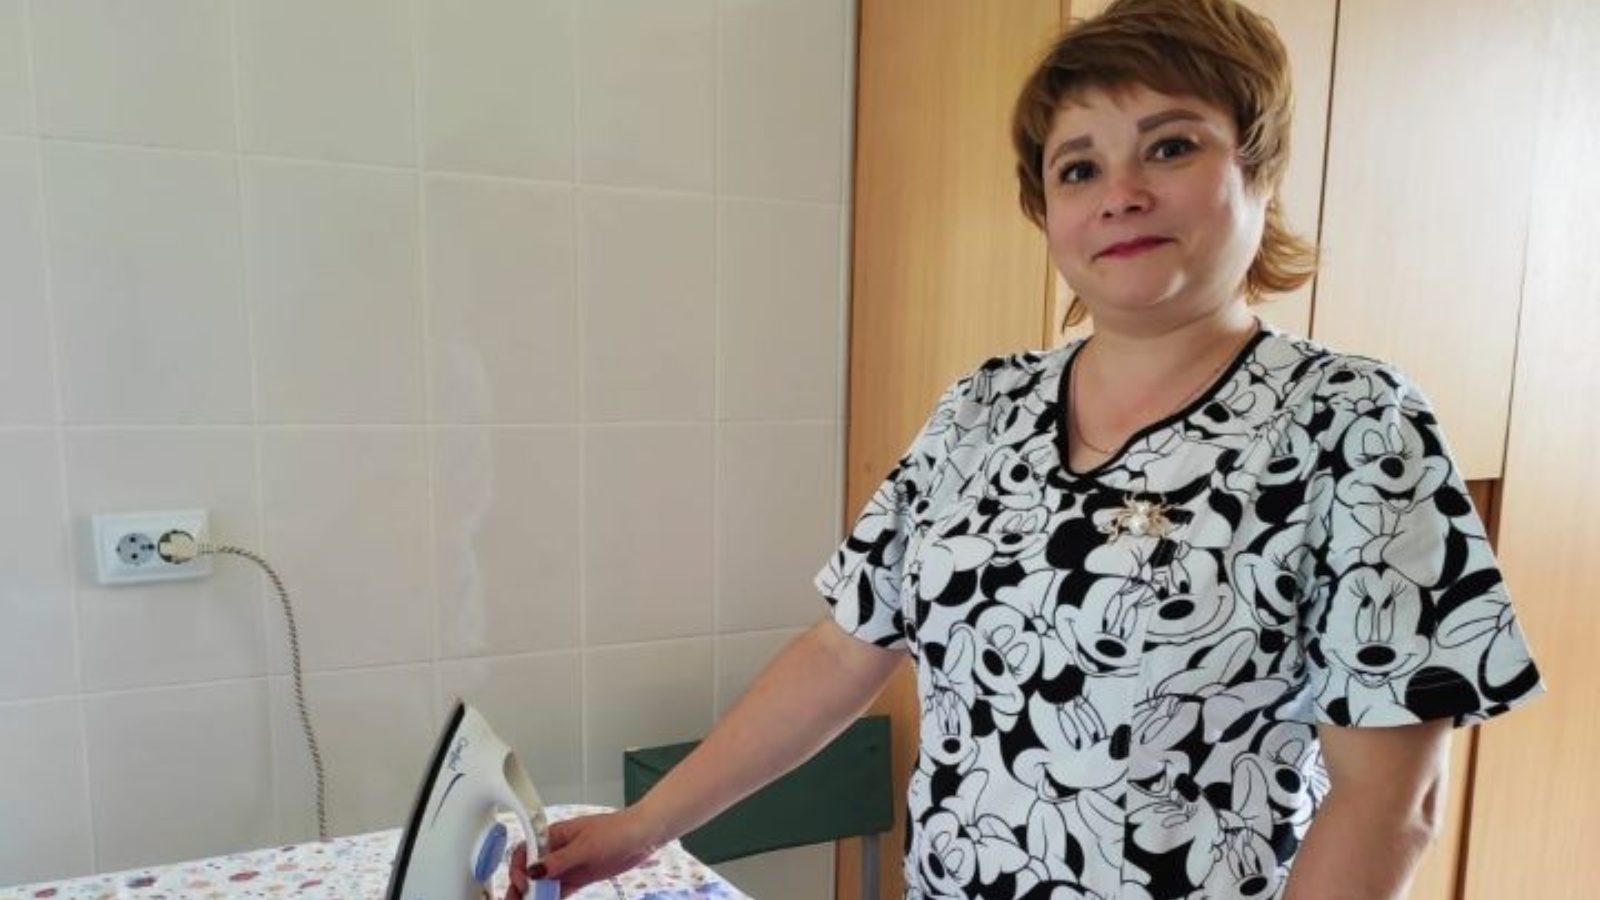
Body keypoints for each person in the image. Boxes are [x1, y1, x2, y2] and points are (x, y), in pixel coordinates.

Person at [512, 0, 1544, 897]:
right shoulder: (982, 407)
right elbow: (841, 652)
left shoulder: (1353, 425)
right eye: (1078, 167)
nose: (1120, 192)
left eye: (1170, 147)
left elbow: (1389, 803)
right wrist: (644, 828)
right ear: (1045, 211)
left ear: (1258, 167)